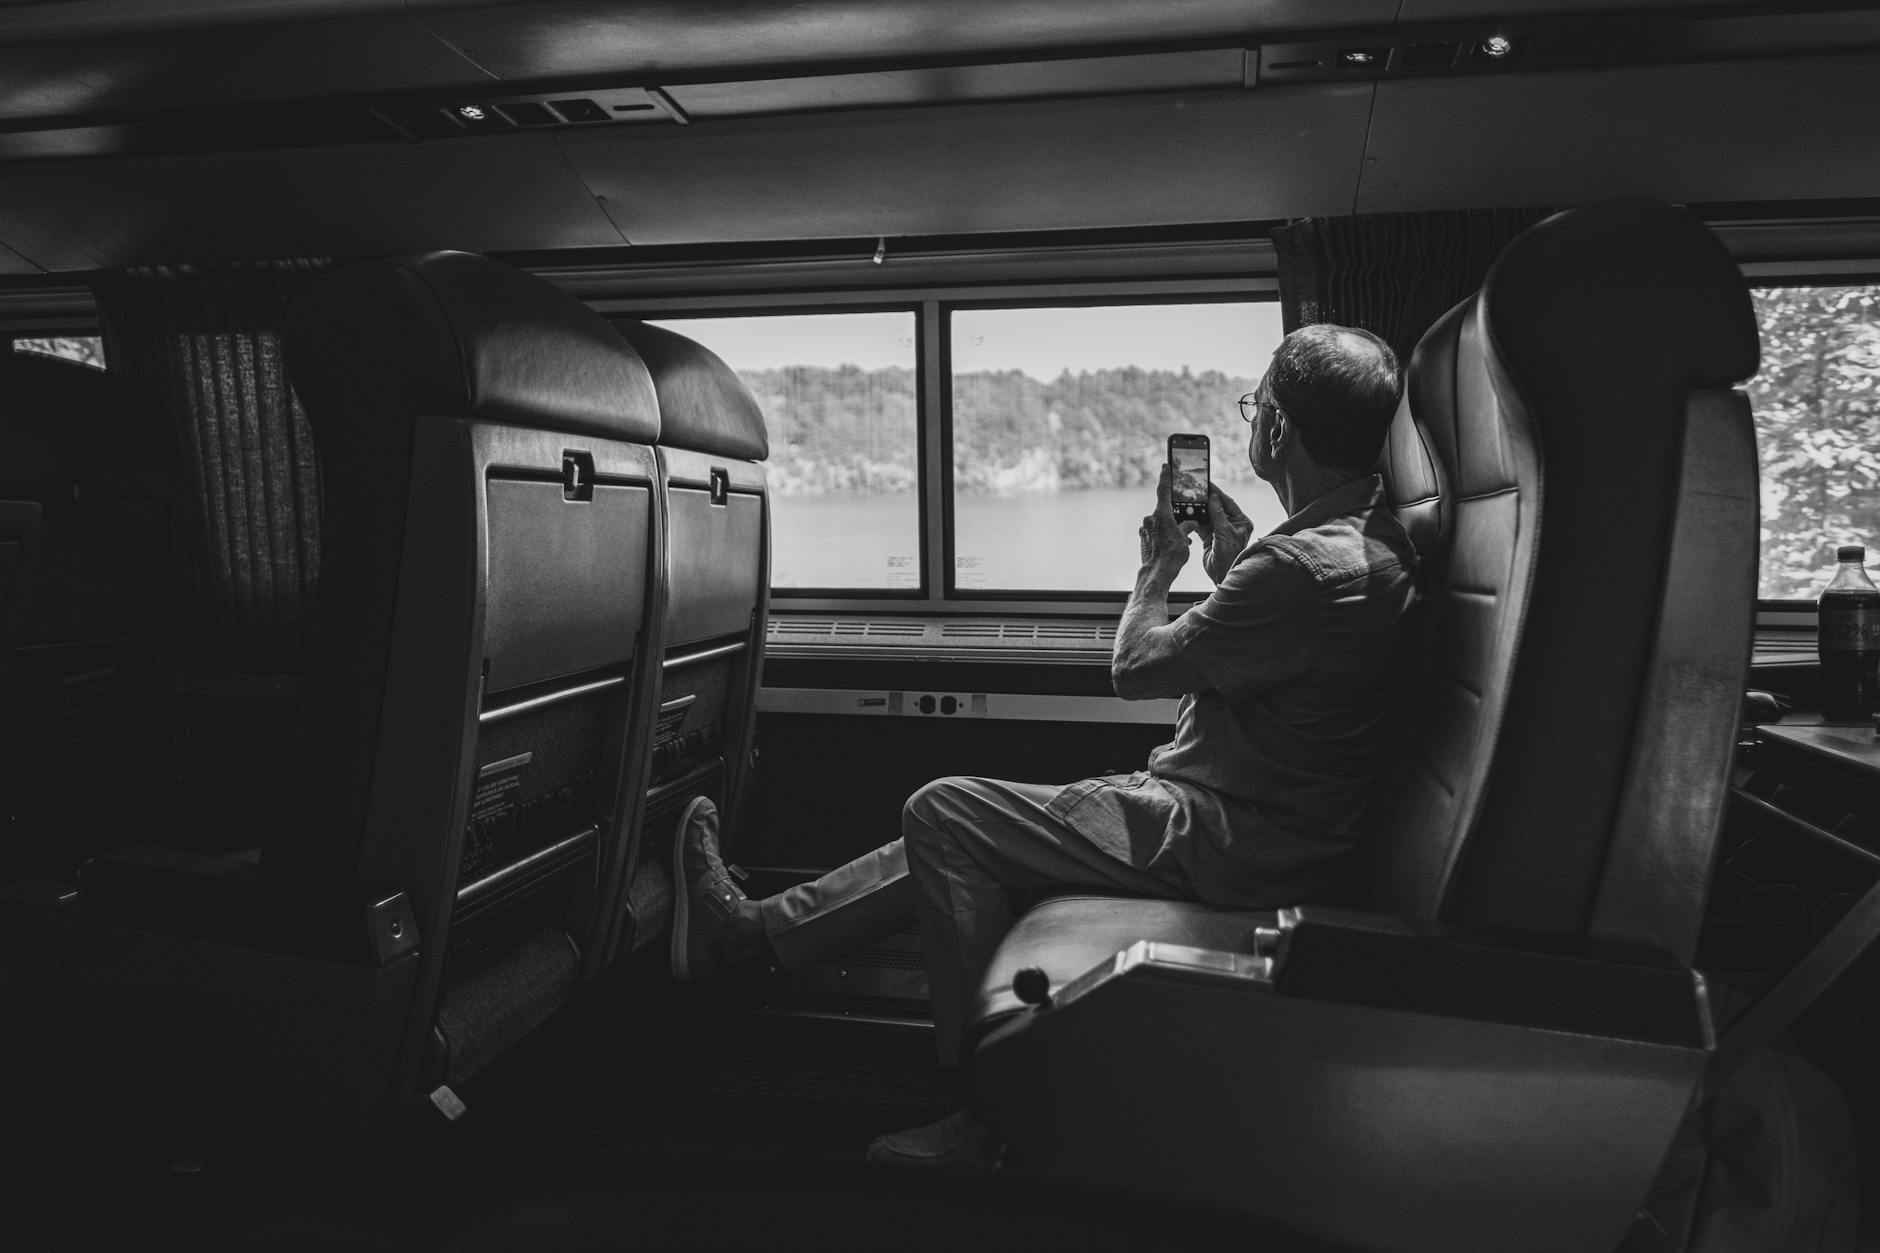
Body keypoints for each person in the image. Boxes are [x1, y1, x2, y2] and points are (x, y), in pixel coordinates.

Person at [669, 322, 1419, 1173]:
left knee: (943, 810)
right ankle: (751, 934)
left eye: (1256, 405)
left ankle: (981, 1115)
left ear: (1276, 427)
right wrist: (1236, 559)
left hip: (1221, 839)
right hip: (1263, 827)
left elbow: (1135, 667)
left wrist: (1158, 567)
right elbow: (1293, 652)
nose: (1251, 421)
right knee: (963, 826)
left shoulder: (1299, 570)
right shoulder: (1368, 543)